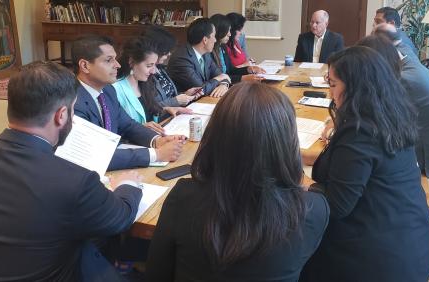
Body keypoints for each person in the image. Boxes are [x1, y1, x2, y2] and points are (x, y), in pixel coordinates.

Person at [0, 61, 144, 281]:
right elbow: (120, 219)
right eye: (73, 109)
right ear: (61, 115)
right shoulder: (76, 181)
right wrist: (128, 186)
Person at [145, 82, 329, 281]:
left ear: (215, 136)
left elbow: (157, 274)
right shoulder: (315, 208)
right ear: (288, 141)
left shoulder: (183, 198)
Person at [299, 47, 429, 282]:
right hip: (412, 240)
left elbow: (337, 205)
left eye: (333, 85)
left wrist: (298, 179)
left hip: (382, 262)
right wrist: (292, 154)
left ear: (355, 87)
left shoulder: (360, 131)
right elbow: (345, 162)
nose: (331, 94)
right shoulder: (388, 116)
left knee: (292, 250)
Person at [72, 35, 185, 171]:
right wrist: (156, 154)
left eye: (115, 59)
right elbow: (94, 154)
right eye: (109, 60)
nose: (118, 65)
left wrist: (157, 141)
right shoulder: (72, 102)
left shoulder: (108, 91)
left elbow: (127, 125)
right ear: (85, 66)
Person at [357, 34, 429, 178]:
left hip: (420, 151)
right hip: (414, 137)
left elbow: (373, 111)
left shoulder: (405, 79)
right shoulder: (405, 55)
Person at [112, 36, 192, 135]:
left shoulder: (144, 83)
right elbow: (113, 130)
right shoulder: (115, 89)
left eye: (154, 65)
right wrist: (140, 128)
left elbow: (148, 114)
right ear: (131, 62)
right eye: (149, 66)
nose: (153, 71)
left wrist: (166, 110)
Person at [167, 17, 231, 98]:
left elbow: (220, 74)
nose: (215, 40)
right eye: (214, 36)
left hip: (202, 101)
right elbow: (200, 90)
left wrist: (224, 85)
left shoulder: (205, 54)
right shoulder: (182, 59)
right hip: (186, 105)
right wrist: (219, 79)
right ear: (205, 40)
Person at [141, 26, 204, 108]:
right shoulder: (144, 74)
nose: (169, 54)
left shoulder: (160, 69)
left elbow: (170, 96)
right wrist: (176, 101)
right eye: (166, 50)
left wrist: (185, 94)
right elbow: (148, 110)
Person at [209, 13, 265, 83]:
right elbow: (219, 77)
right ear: (220, 31)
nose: (229, 34)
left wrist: (248, 69)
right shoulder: (210, 51)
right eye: (227, 31)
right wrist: (242, 78)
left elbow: (231, 70)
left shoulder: (222, 47)